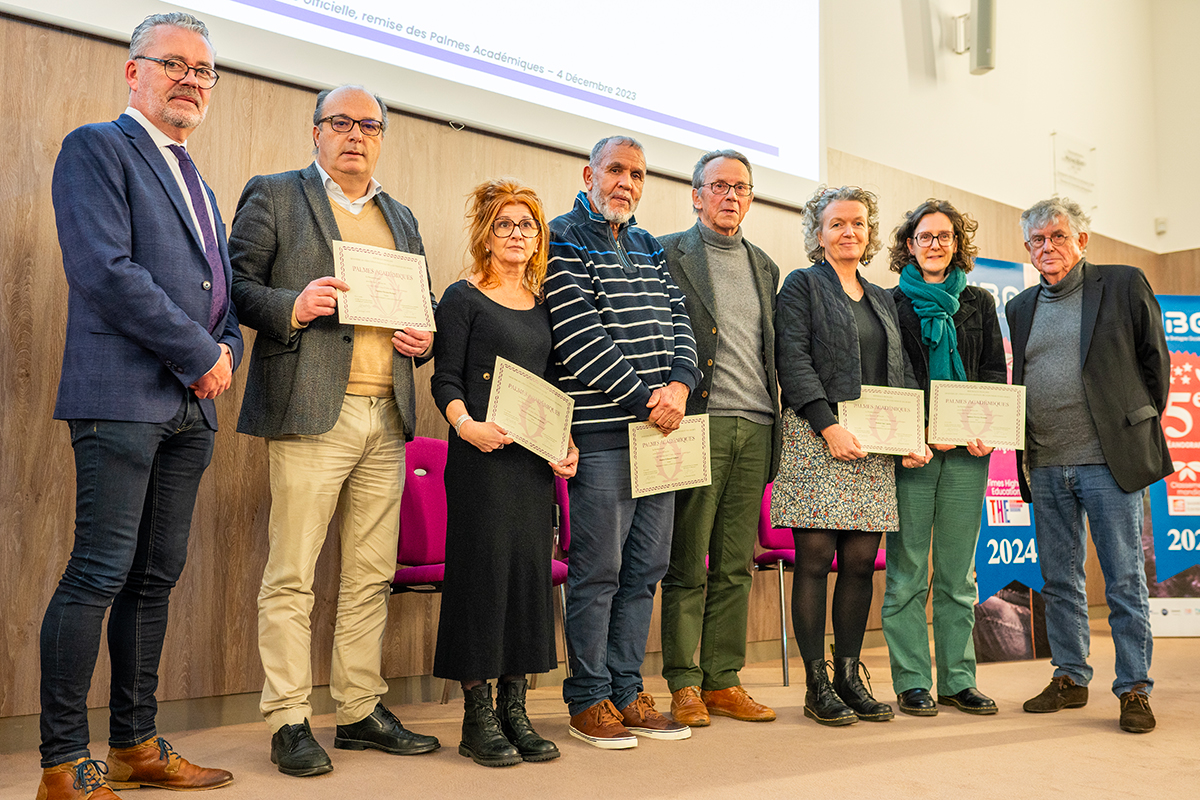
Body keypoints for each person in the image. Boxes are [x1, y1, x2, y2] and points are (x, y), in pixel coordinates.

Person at [36, 13, 241, 799]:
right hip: (122, 397)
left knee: (154, 580)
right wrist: (199, 355)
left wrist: (224, 354)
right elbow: (104, 269)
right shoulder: (96, 147)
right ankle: (61, 763)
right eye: (174, 64)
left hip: (193, 408)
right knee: (97, 573)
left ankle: (135, 746)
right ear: (133, 72)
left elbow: (216, 293)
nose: (192, 79)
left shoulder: (200, 182)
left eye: (204, 70)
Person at [229, 84, 439, 776]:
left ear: (381, 137)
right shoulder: (276, 194)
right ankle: (289, 718)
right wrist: (296, 303)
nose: (356, 134)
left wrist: (424, 335)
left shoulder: (400, 215)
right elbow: (235, 286)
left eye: (369, 125)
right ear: (315, 130)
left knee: (370, 575)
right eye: (341, 122)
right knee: (292, 572)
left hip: (388, 413)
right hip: (312, 409)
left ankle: (358, 709)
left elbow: (423, 305)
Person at [546, 135, 701, 749]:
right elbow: (579, 340)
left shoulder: (648, 245)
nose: (626, 183)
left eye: (637, 174)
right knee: (598, 572)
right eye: (615, 170)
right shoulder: (561, 236)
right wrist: (648, 401)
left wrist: (682, 388)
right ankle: (588, 697)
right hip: (605, 436)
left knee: (646, 569)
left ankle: (627, 688)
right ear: (589, 173)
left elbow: (682, 325)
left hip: (663, 434)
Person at [1006, 197, 1171, 734]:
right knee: (1059, 578)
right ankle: (1071, 677)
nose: (1046, 247)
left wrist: (1132, 425)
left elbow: (1155, 365)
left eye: (1056, 236)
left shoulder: (1123, 283)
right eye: (1036, 241)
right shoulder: (1021, 306)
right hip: (1046, 461)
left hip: (1108, 460)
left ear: (1081, 240)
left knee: (1124, 578)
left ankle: (1134, 688)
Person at [431, 179, 578, 767]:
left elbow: (557, 388)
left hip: (531, 464)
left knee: (525, 580)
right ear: (485, 235)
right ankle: (477, 716)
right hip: (479, 457)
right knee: (482, 579)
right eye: (505, 224)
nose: (517, 234)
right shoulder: (462, 297)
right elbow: (446, 378)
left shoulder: (547, 305)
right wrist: (466, 425)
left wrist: (564, 442)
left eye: (527, 225)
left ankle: (516, 708)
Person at [772, 185, 929, 727]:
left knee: (860, 563)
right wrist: (827, 425)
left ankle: (848, 673)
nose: (849, 232)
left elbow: (901, 372)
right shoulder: (801, 285)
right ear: (818, 233)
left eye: (859, 223)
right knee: (815, 562)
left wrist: (911, 433)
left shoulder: (883, 296)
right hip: (818, 439)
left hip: (873, 445)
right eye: (837, 223)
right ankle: (817, 683)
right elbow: (790, 359)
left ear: (871, 231)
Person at [657, 150, 780, 727]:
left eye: (741, 187)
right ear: (696, 193)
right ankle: (682, 680)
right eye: (719, 185)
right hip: (694, 423)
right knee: (688, 560)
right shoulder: (664, 253)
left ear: (751, 197)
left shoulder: (766, 266)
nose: (731, 196)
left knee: (737, 563)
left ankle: (722, 679)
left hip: (756, 424)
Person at [880, 199, 1006, 717]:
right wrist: (910, 436)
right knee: (907, 573)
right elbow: (883, 381)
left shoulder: (977, 301)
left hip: (968, 456)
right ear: (909, 244)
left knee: (959, 576)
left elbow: (995, 373)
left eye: (945, 237)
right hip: (911, 453)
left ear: (958, 245)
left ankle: (958, 680)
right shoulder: (888, 303)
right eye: (925, 236)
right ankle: (913, 681)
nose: (935, 245)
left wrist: (987, 430)